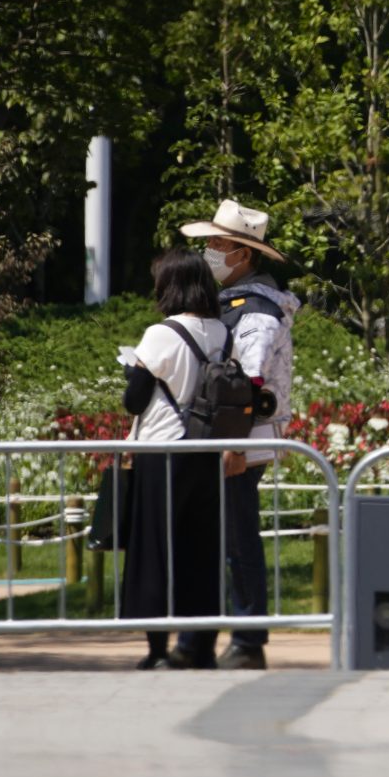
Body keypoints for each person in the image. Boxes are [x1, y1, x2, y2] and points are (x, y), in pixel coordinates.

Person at [180, 199, 297, 671]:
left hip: (241, 440)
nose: (209, 251)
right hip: (233, 438)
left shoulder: (258, 311)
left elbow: (243, 386)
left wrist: (230, 444)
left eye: (218, 244)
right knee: (222, 539)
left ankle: (248, 638)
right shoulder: (237, 303)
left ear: (244, 254)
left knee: (238, 539)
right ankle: (208, 638)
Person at [117, 247, 229, 670]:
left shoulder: (160, 334)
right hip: (205, 452)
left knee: (155, 551)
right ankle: (202, 647)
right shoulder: (222, 332)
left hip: (162, 452)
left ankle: (158, 649)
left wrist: (133, 373)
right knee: (201, 551)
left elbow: (134, 401)